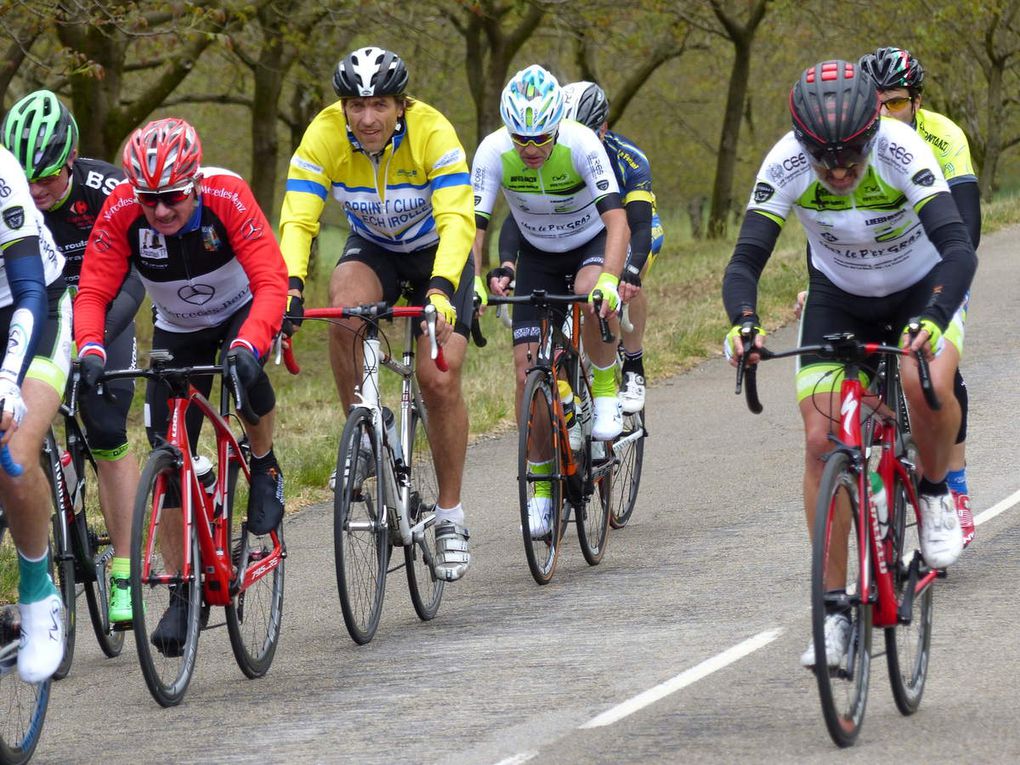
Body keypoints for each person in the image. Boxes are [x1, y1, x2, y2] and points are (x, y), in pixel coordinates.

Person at [722, 60, 975, 667]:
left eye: (851, 156)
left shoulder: (902, 148)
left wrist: (935, 318)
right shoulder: (783, 162)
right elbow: (744, 261)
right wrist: (744, 323)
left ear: (872, 135)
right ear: (802, 142)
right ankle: (835, 611)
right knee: (820, 440)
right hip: (839, 297)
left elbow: (959, 248)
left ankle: (936, 490)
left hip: (921, 289)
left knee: (922, 379)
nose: (837, 171)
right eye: (824, 158)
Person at [74, 117, 288, 655]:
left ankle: (264, 464)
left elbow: (270, 281)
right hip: (178, 327)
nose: (161, 211)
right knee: (168, 451)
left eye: (171, 197)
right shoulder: (123, 209)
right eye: (149, 199)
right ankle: (181, 591)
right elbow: (94, 290)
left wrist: (250, 344)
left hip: (242, 311)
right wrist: (91, 348)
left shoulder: (228, 195)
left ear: (193, 184)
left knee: (246, 377)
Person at [278, 46, 475, 582]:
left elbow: (458, 218)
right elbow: (298, 217)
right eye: (356, 106)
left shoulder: (432, 131)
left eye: (380, 105)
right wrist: (291, 284)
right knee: (342, 311)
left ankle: (451, 517)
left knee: (437, 380)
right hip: (376, 248)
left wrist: (440, 289)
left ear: (400, 106)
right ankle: (367, 432)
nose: (367, 118)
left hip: (439, 251)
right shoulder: (322, 135)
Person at [1, 89, 145, 624]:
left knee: (106, 426)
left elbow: (135, 273)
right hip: (40, 310)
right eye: (27, 178)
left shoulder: (106, 188)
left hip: (105, 305)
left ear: (73, 157)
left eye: (49, 178)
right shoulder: (7, 193)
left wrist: (96, 335)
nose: (36, 192)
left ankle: (127, 570)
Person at [473, 65, 629, 537]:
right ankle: (540, 488)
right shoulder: (493, 151)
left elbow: (619, 223)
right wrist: (475, 282)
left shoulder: (582, 144)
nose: (533, 150)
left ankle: (603, 387)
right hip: (537, 254)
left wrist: (609, 279)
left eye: (542, 138)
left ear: (558, 125)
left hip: (589, 242)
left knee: (588, 295)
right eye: (523, 139)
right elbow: (473, 228)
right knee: (527, 375)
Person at [858, 47, 979, 547]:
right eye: (876, 104)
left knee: (938, 376)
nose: (886, 114)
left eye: (897, 103)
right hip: (872, 261)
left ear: (918, 101)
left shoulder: (942, 135)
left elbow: (967, 221)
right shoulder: (854, 140)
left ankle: (954, 485)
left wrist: (950, 283)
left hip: (934, 256)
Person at [498, 80, 663, 414]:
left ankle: (633, 363)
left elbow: (638, 224)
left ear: (602, 129)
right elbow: (524, 217)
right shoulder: (549, 154)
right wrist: (508, 263)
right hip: (568, 233)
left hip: (629, 226)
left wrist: (628, 272)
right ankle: (571, 394)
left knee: (626, 278)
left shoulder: (628, 159)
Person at [0, 143, 69, 682]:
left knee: (14, 453)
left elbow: (28, 292)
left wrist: (7, 382)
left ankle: (38, 592)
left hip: (33, 310)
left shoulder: (1, 169)